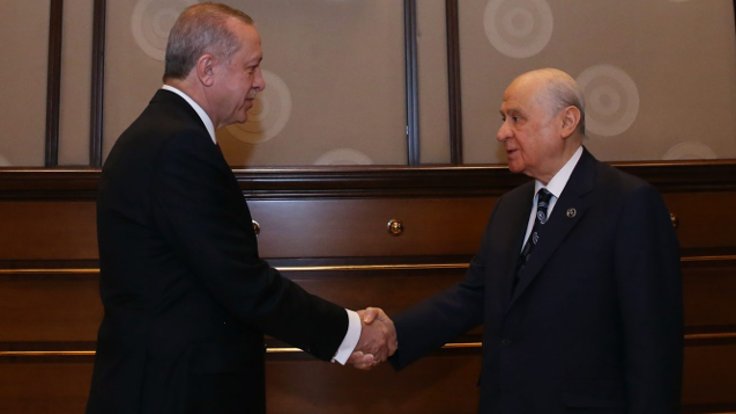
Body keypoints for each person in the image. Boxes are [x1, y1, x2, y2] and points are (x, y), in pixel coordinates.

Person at [86, 3, 395, 413]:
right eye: (252, 68)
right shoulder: (178, 145)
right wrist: (350, 332)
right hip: (173, 393)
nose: (261, 83)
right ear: (207, 68)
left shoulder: (164, 134)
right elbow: (240, 282)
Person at [365, 68, 683, 412]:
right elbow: (475, 295)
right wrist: (395, 332)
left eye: (516, 118)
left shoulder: (627, 202)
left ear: (567, 122)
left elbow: (653, 340)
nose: (502, 132)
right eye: (503, 119)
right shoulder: (510, 207)